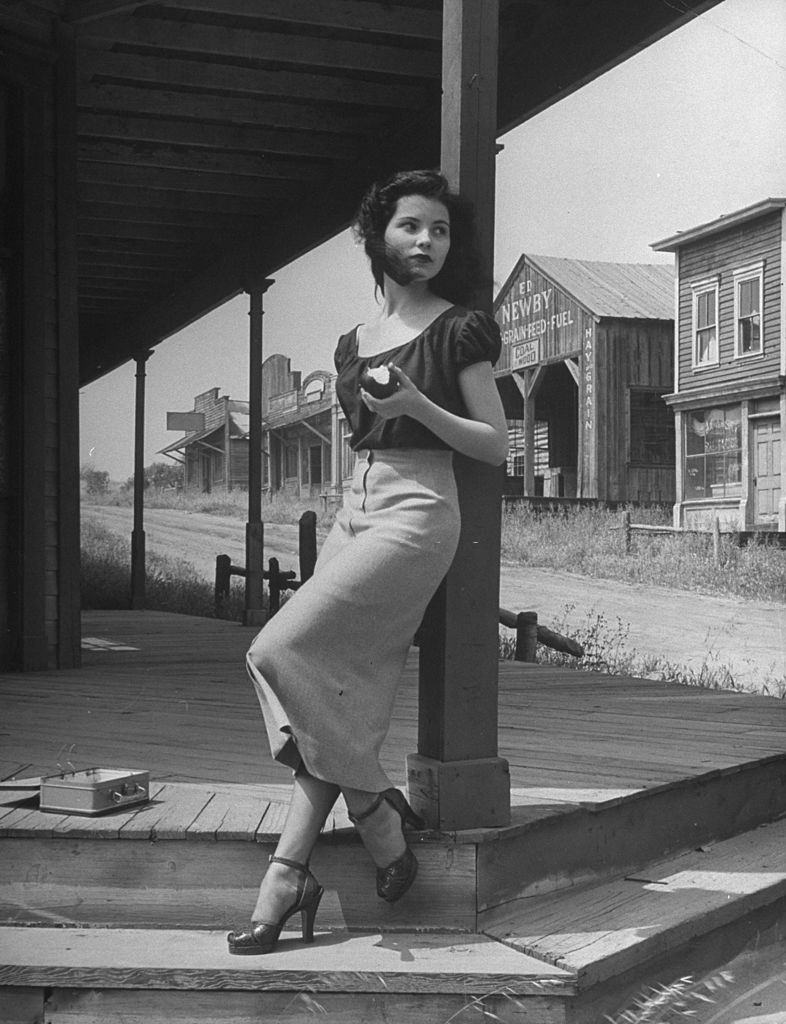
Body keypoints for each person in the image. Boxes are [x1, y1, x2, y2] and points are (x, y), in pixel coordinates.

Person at [227, 168, 508, 955]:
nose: (426, 242)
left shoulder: (460, 329)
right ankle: (307, 861)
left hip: (419, 512)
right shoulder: (353, 342)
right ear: (377, 235)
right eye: (411, 227)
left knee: (278, 649)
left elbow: (496, 444)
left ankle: (371, 815)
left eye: (440, 232)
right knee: (335, 693)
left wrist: (419, 405)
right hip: (358, 505)